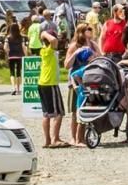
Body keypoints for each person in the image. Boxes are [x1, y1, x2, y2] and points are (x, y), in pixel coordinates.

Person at [37, 9, 67, 148]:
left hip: (43, 83)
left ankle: (47, 140)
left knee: (47, 113)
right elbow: (54, 40)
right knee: (58, 113)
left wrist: (43, 37)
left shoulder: (43, 50)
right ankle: (55, 139)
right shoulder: (49, 50)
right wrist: (43, 33)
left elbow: (53, 40)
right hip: (50, 84)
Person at [64, 24, 96, 148]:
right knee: (75, 110)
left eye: (90, 29)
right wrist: (76, 53)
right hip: (76, 81)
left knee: (87, 108)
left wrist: (93, 52)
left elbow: (100, 56)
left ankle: (83, 137)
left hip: (90, 80)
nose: (90, 31)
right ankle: (74, 138)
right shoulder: (74, 46)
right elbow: (67, 65)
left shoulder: (92, 45)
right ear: (81, 32)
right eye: (88, 29)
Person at [4, 22, 26, 96]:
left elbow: (5, 47)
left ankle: (13, 88)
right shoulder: (21, 37)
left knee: (12, 72)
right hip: (20, 56)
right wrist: (25, 54)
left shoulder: (8, 37)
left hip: (11, 56)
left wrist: (8, 52)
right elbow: (23, 47)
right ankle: (18, 89)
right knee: (19, 72)